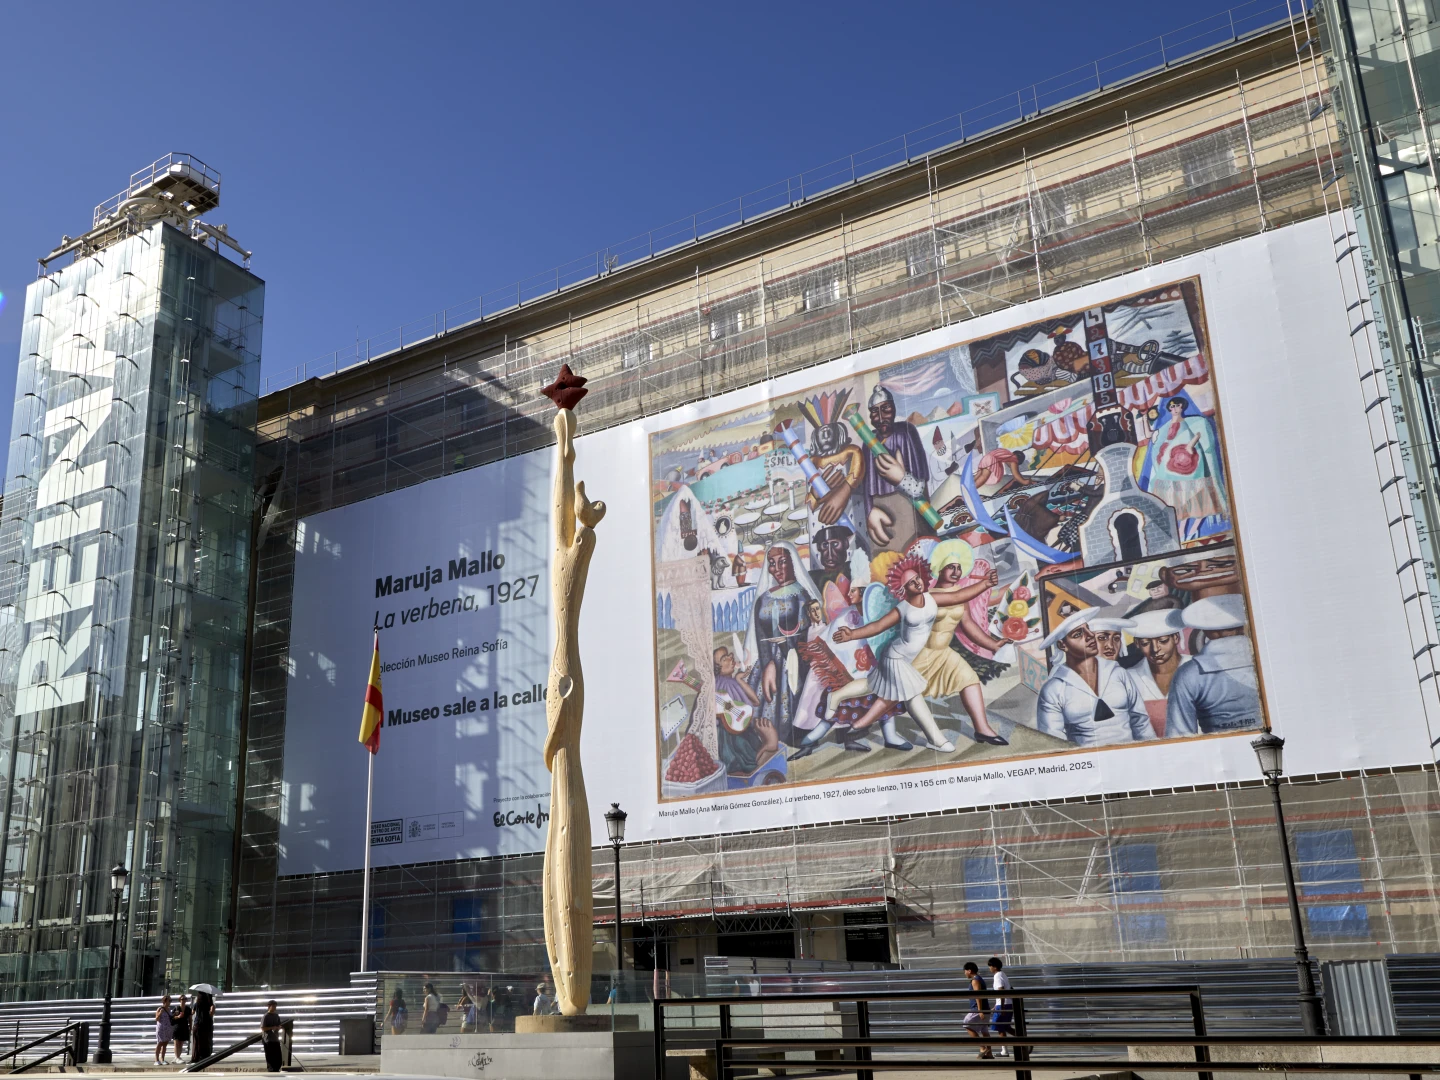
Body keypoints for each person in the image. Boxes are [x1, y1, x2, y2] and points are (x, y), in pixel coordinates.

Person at [814, 556, 969, 753]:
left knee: (872, 684)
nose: (917, 583)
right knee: (912, 695)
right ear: (904, 589)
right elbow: (878, 626)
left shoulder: (932, 598)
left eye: (917, 578)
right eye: (911, 582)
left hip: (905, 657)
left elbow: (958, 596)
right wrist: (852, 634)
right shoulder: (903, 607)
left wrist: (985, 584)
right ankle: (936, 739)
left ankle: (837, 696)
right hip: (895, 657)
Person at [912, 540, 1009, 746]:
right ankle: (861, 721)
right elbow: (955, 597)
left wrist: (992, 644)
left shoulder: (959, 593)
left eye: (958, 568)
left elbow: (968, 624)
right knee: (895, 694)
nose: (956, 572)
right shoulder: (929, 595)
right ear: (940, 570)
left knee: (970, 680)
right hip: (922, 653)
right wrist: (985, 584)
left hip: (944, 652)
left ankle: (982, 730)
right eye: (951, 567)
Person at [1035, 608, 1154, 747]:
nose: (1090, 635)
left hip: (1129, 754)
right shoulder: (1053, 689)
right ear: (1062, 645)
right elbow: (1053, 741)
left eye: (1088, 629)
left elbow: (1141, 722)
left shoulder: (1119, 673)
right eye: (1078, 634)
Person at [744, 542, 819, 745]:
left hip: (795, 660)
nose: (776, 569)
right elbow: (760, 634)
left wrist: (786, 653)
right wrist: (768, 663)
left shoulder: (802, 596)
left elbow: (807, 631)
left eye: (782, 562)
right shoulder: (763, 599)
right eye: (772, 563)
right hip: (768, 661)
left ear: (792, 563)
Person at [1167, 594, 1262, 736]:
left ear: (1205, 630)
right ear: (1243, 625)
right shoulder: (1264, 660)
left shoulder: (1188, 673)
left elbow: (1178, 734)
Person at [855, 385, 931, 551]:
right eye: (874, 412)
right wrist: (869, 512)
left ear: (894, 408)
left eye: (885, 409)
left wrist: (902, 479)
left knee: (916, 553)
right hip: (880, 510)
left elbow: (919, 487)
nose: (881, 417)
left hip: (909, 507)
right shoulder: (868, 442)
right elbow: (866, 485)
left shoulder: (906, 431)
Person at [1143, 396, 1228, 540]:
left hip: (1189, 463)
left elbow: (1199, 433)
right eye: (1172, 407)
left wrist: (1189, 446)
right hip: (1171, 466)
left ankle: (1193, 529)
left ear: (1182, 407)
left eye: (1177, 406)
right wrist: (1145, 418)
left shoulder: (1191, 421)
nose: (1174, 409)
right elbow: (1149, 435)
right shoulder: (1166, 426)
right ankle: (1182, 530)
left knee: (1198, 495)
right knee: (1180, 499)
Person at [1126, 608, 1186, 737]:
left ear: (1176, 638)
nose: (1155, 649)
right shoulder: (1129, 677)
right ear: (1137, 644)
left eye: (1163, 641)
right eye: (1145, 643)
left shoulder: (1196, 668)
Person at [962, 962, 993, 1058]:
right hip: (985, 1009)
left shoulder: (975, 980)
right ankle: (989, 1053)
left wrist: (979, 1010)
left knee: (966, 1024)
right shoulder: (980, 979)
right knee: (984, 1030)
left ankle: (982, 1047)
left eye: (965, 971)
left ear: (969, 971)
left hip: (977, 1009)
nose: (964, 973)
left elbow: (978, 995)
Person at [989, 957, 1014, 1058]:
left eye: (990, 966)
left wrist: (1002, 1006)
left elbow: (1001, 990)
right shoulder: (1003, 974)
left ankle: (1004, 1051)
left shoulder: (997, 976)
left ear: (994, 967)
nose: (989, 968)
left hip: (1003, 1005)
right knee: (1006, 1027)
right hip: (1007, 1003)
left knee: (1000, 1027)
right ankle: (1025, 1040)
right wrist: (996, 1005)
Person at [260, 1000, 284, 1073]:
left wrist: (278, 1027)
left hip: (275, 1039)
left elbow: (279, 1025)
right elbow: (263, 1028)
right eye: (273, 1006)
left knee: (278, 1057)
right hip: (268, 1039)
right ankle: (271, 1070)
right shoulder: (266, 1016)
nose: (274, 1008)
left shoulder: (276, 1016)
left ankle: (277, 1069)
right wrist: (271, 1028)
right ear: (269, 1007)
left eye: (275, 1006)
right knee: (270, 1057)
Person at [191, 990, 215, 1061]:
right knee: (205, 1041)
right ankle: (204, 1056)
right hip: (205, 1025)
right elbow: (211, 1014)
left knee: (196, 1042)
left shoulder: (196, 1004)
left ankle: (195, 1057)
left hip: (197, 1024)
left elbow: (192, 1012)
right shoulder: (208, 1004)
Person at [172, 993, 192, 1062]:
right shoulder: (176, 1008)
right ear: (179, 1000)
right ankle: (177, 1057)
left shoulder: (188, 1009)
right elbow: (172, 1018)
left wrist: (191, 1027)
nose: (183, 1000)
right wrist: (178, 1016)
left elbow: (190, 1019)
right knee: (176, 1043)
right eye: (182, 999)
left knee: (181, 1043)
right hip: (177, 1027)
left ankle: (178, 1057)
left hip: (184, 1027)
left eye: (185, 999)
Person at [154, 994, 174, 1064]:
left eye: (171, 1001)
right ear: (165, 1001)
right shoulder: (160, 1009)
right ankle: (156, 1060)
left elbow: (171, 1018)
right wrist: (160, 1013)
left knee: (165, 1044)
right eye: (169, 1000)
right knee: (160, 1043)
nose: (170, 1002)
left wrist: (175, 1015)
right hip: (161, 1029)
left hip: (168, 1029)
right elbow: (156, 1019)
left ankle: (162, 1059)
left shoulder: (169, 1009)